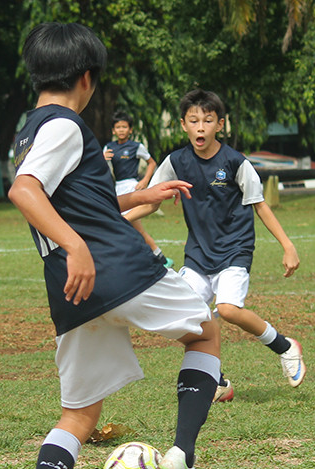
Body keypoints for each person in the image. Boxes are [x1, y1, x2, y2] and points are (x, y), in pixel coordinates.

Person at [0, 22, 222, 469]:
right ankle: (181, 455)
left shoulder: (28, 132)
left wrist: (143, 195)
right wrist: (76, 245)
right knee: (206, 332)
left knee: (78, 414)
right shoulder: (65, 125)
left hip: (72, 291)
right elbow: (24, 192)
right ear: (86, 78)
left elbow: (76, 202)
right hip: (113, 267)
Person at [126, 89, 305, 404]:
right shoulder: (176, 161)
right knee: (185, 316)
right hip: (198, 255)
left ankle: (285, 347)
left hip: (234, 250)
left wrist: (287, 246)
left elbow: (260, 205)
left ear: (220, 124)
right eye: (194, 120)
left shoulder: (235, 162)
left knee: (227, 310)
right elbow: (152, 202)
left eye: (207, 120)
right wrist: (120, 219)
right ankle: (218, 381)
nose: (200, 127)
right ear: (183, 124)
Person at [103, 111, 172, 267]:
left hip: (131, 188)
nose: (121, 130)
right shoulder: (109, 148)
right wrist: (102, 160)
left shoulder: (136, 146)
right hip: (117, 189)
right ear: (113, 130)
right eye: (118, 127)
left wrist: (145, 180)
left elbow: (152, 163)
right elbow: (100, 169)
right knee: (127, 227)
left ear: (130, 130)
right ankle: (153, 258)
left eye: (124, 127)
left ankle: (160, 259)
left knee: (133, 227)